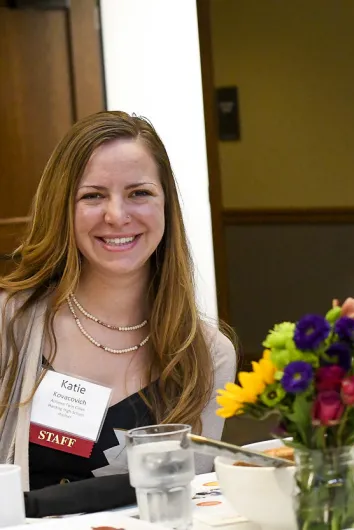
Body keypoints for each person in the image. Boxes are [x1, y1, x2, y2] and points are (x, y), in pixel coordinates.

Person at [0, 111, 237, 491]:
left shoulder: (208, 357)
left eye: (138, 193)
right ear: (63, 208)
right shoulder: (10, 323)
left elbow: (192, 500)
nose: (116, 216)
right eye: (93, 195)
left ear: (166, 205)